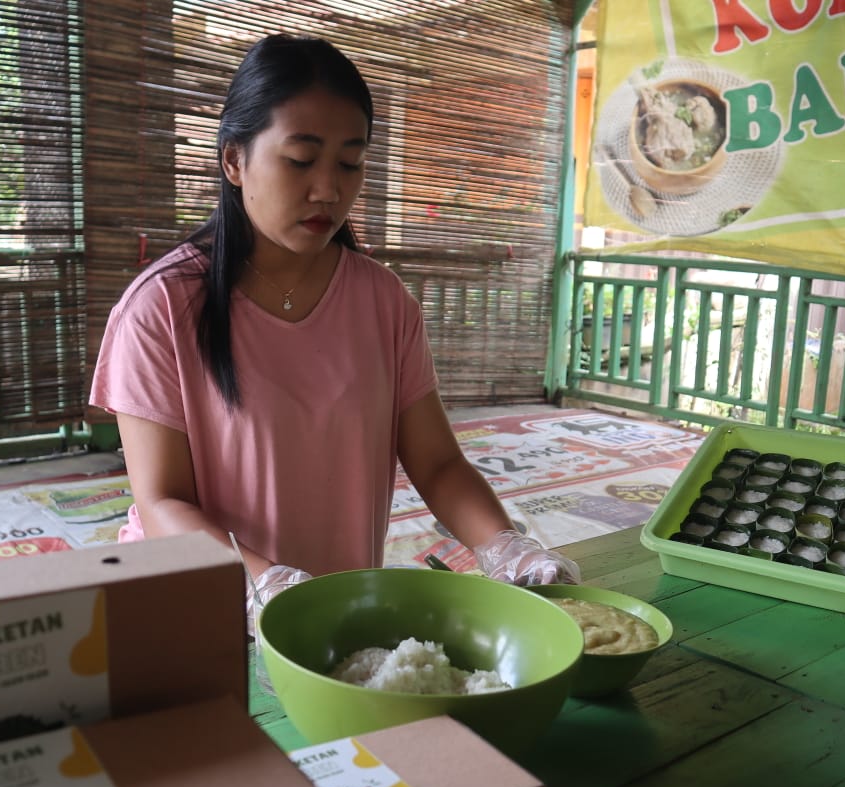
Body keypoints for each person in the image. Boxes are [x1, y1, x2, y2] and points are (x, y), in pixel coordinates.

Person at [89, 33, 579, 620]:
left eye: (350, 162)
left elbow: (438, 463)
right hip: (198, 610)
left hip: (339, 616)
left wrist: (507, 546)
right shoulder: (162, 307)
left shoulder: (381, 299)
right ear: (234, 160)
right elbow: (162, 498)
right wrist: (264, 584)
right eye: (300, 160)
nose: (329, 188)